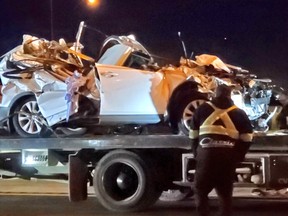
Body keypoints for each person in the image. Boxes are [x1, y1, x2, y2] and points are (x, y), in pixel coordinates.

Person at [189, 84, 253, 216]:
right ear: (230, 95)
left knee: (200, 191)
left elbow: (193, 134)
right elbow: (247, 138)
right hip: (227, 159)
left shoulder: (202, 109)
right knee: (225, 195)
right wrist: (238, 156)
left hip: (206, 158)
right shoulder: (239, 113)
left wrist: (197, 153)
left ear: (215, 94)